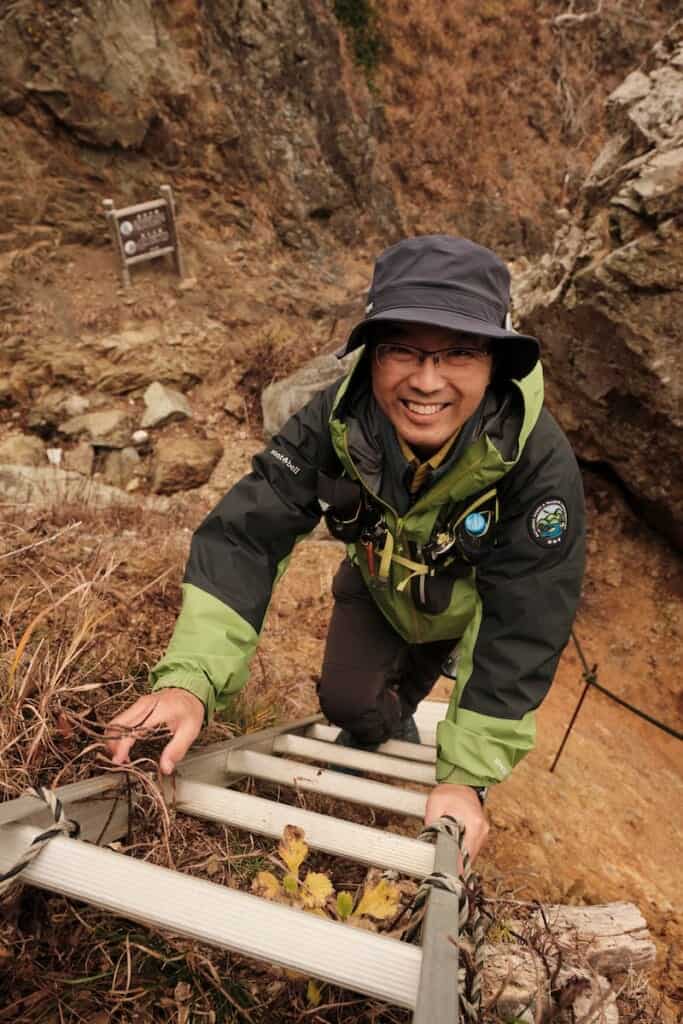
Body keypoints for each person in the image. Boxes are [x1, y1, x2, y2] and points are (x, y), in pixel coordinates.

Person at [106, 235, 585, 863]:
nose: (427, 380)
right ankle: (390, 718)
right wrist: (190, 681)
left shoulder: (538, 466)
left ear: (495, 362)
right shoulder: (335, 418)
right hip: (376, 587)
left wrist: (466, 779)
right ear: (371, 357)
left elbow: (526, 621)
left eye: (459, 353)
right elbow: (247, 532)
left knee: (408, 684)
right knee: (347, 704)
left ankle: (409, 699)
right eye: (402, 351)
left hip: (461, 610)